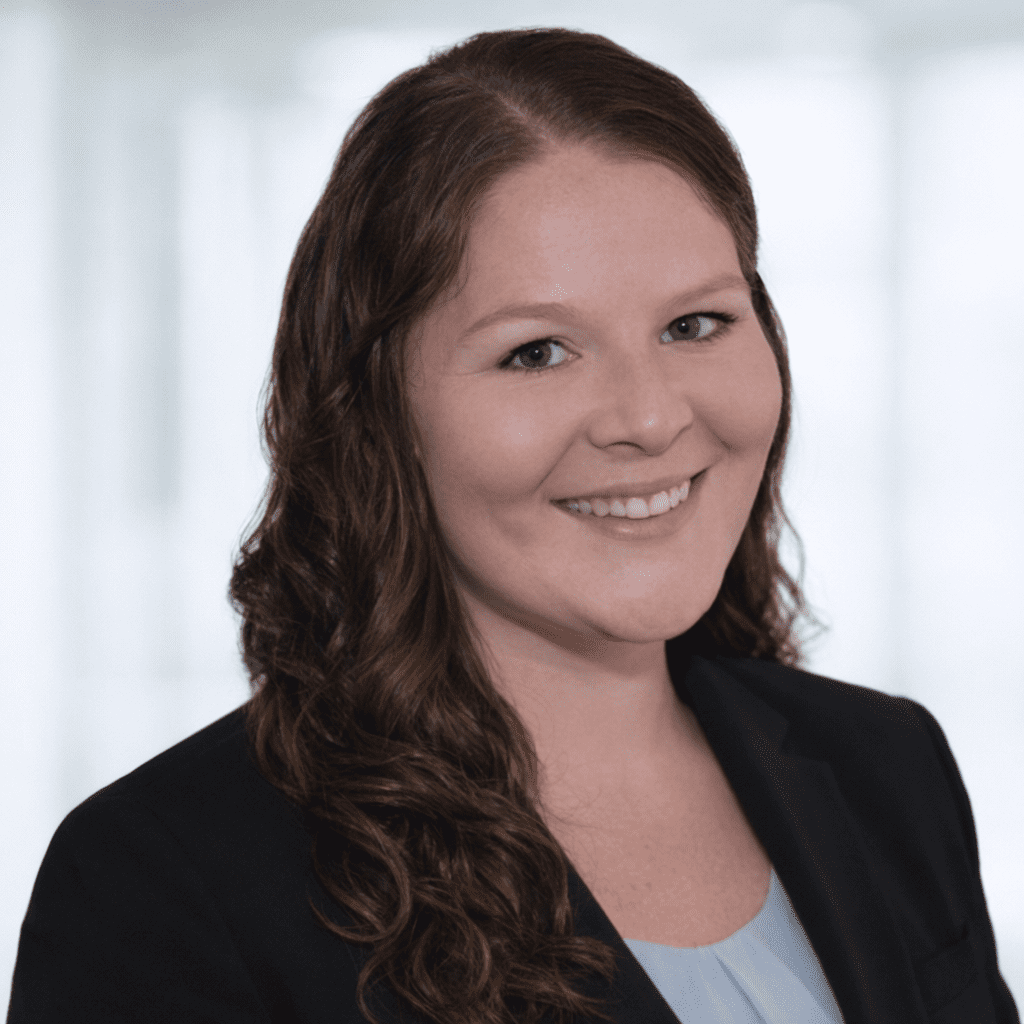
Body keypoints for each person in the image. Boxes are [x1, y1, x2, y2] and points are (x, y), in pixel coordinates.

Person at [6, 26, 1018, 1024]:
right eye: (536, 352)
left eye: (694, 324)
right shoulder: (168, 882)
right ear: (376, 415)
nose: (649, 418)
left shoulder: (887, 767)